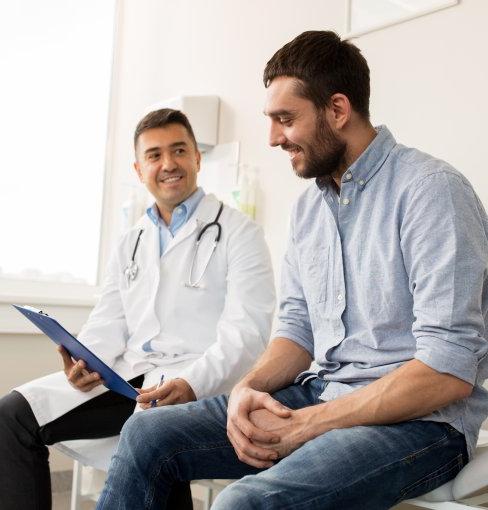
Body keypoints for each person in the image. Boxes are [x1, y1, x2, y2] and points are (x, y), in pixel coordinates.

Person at [96, 31, 488, 510]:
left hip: (420, 424)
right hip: (320, 393)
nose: (273, 138)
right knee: (146, 434)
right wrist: (246, 390)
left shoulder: (431, 191)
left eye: (286, 119)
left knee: (242, 503)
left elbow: (447, 371)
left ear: (338, 110)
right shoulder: (309, 211)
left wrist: (309, 425)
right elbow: (298, 331)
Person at [0, 108, 275, 510]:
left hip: (198, 382)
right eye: (154, 155)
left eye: (179, 150)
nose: (168, 164)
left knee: (154, 442)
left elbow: (247, 335)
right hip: (129, 378)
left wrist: (192, 384)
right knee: (12, 415)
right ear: (138, 167)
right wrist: (84, 361)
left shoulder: (240, 233)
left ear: (197, 157)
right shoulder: (131, 239)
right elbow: (109, 320)